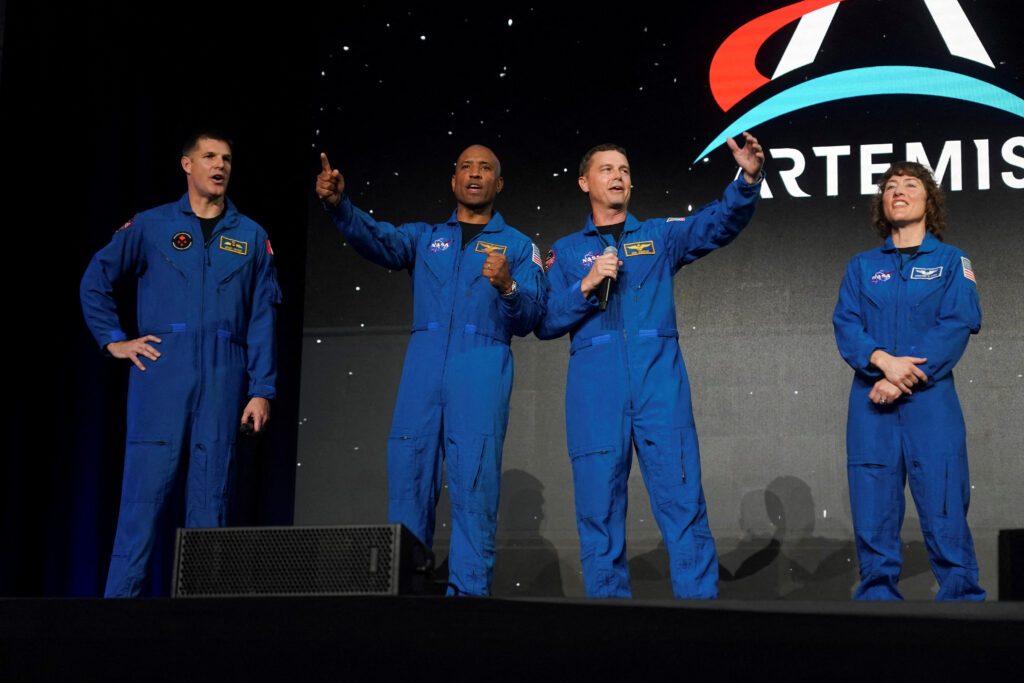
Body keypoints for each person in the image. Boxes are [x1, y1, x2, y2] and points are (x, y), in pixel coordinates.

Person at [537, 135, 765, 598]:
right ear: (584, 182)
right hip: (595, 395)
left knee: (683, 504)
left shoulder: (659, 235)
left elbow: (716, 224)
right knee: (598, 512)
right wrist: (586, 284)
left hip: (659, 387)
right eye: (606, 169)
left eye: (623, 169)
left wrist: (747, 179)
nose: (617, 176)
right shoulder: (564, 251)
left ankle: (698, 611)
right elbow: (543, 322)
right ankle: (609, 625)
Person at [315, 145, 545, 596]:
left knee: (474, 492)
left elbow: (532, 317)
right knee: (408, 481)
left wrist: (508, 286)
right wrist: (340, 206)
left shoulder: (518, 246)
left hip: (480, 369)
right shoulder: (425, 238)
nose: (474, 174)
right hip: (422, 371)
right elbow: (378, 239)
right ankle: (405, 598)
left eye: (485, 169)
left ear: (499, 184)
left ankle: (468, 601)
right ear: (453, 179)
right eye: (465, 167)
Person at [80, 131, 281, 597]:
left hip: (224, 374)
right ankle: (116, 616)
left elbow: (263, 317)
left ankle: (201, 617)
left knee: (212, 500)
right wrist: (115, 342)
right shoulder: (151, 225)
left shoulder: (251, 236)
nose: (220, 165)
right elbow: (96, 279)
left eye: (227, 158)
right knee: (142, 499)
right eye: (209, 156)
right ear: (187, 165)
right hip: (162, 374)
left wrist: (262, 389)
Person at [832, 161, 985, 601]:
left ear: (928, 200)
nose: (898, 191)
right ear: (882, 202)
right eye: (890, 186)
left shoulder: (952, 261)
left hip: (929, 405)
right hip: (871, 407)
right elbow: (847, 324)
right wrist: (881, 361)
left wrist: (898, 380)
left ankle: (962, 611)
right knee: (873, 513)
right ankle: (878, 614)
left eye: (910, 185)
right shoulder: (862, 267)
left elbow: (957, 324)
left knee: (945, 509)